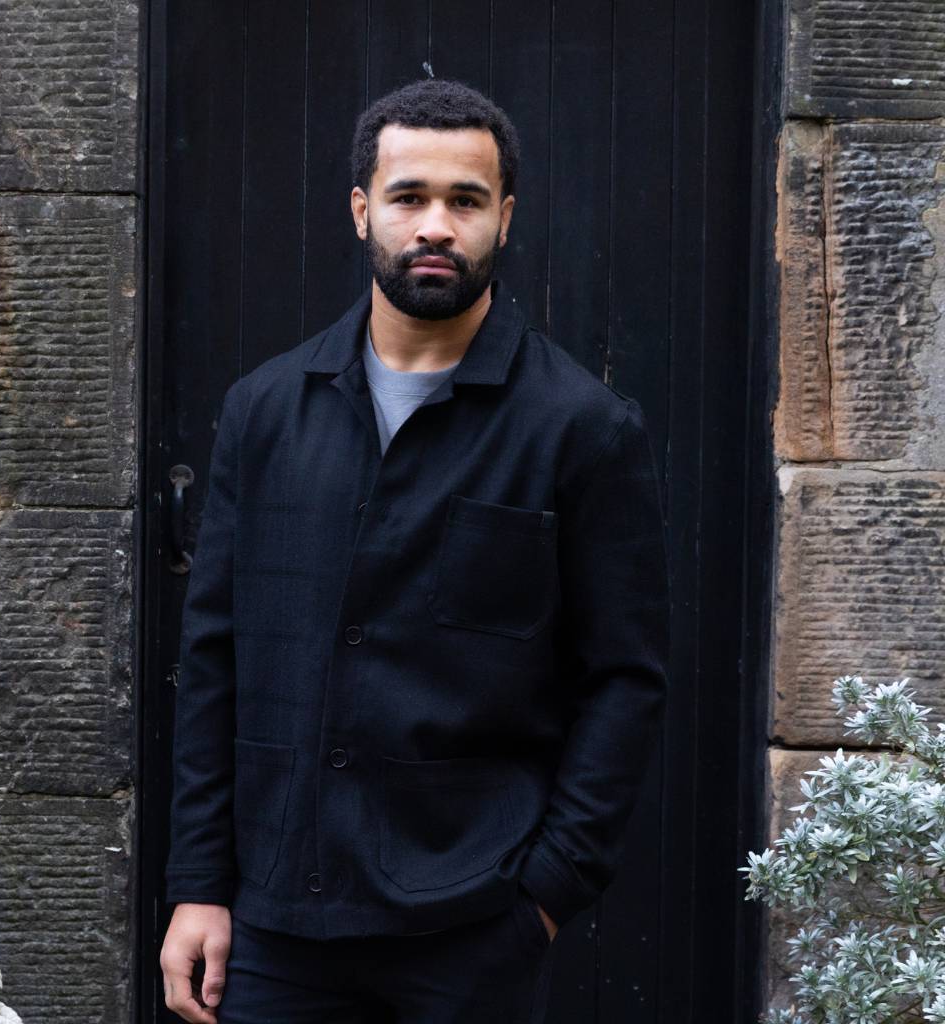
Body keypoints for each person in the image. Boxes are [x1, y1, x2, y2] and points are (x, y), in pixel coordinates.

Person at [159, 77, 670, 1024]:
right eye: (409, 197)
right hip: (274, 926)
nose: (436, 225)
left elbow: (624, 681)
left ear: (504, 217)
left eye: (465, 200)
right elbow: (214, 659)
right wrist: (199, 884)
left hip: (470, 929)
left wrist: (547, 893)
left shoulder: (582, 429)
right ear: (363, 211)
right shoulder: (264, 412)